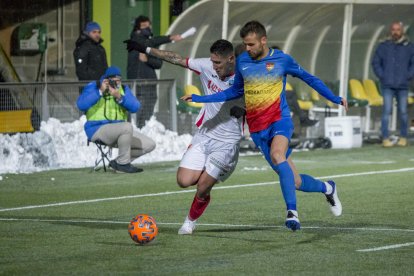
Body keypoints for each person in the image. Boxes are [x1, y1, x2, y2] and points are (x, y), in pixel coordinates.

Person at [183, 21, 348, 231]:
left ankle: (292, 214)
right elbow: (234, 92)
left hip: (279, 120)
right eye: (245, 44)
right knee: (295, 181)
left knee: (278, 156)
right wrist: (200, 98)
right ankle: (328, 187)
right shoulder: (243, 61)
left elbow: (310, 79)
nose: (247, 48)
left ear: (263, 40)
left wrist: (334, 98)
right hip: (258, 130)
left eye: (251, 44)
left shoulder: (282, 60)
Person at [126, 39, 244, 234]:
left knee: (203, 186)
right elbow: (176, 59)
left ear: (231, 59)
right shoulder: (207, 66)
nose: (214, 67)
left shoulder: (244, 77)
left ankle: (190, 221)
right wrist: (145, 48)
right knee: (183, 180)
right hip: (205, 135)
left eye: (218, 63)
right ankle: (205, 184)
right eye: (212, 61)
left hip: (227, 143)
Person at [77, 66, 156, 173]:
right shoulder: (94, 86)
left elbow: (136, 107)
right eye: (113, 81)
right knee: (127, 127)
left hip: (121, 132)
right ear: (106, 80)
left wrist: (120, 97)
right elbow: (81, 105)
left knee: (149, 145)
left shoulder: (123, 89)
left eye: (118, 81)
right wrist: (100, 91)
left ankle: (117, 163)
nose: (116, 84)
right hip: (97, 129)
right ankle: (123, 164)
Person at [125, 15, 183, 128]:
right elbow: (152, 41)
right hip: (139, 85)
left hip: (150, 83)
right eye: (144, 26)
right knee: (138, 111)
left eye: (148, 25)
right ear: (137, 29)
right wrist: (169, 38)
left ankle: (145, 129)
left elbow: (158, 64)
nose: (147, 28)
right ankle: (137, 129)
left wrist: (147, 60)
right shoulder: (136, 41)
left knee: (148, 110)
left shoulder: (150, 45)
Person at [372, 21, 414, 147]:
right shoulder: (384, 46)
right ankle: (385, 137)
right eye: (393, 30)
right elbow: (375, 62)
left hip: (403, 85)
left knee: (403, 111)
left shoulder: (409, 46)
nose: (395, 32)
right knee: (387, 111)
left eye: (398, 30)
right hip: (387, 84)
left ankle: (403, 137)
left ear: (402, 31)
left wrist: (409, 75)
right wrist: (382, 75)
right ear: (390, 31)